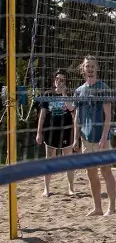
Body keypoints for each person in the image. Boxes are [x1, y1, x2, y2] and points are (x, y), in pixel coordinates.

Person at [72, 56, 116, 216]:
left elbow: (108, 116)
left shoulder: (103, 88)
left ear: (97, 68)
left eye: (92, 66)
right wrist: (76, 138)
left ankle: (111, 208)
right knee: (91, 174)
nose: (90, 69)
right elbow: (77, 117)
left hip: (101, 138)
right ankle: (97, 208)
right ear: (83, 69)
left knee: (106, 171)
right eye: (87, 66)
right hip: (86, 139)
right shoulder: (79, 91)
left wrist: (104, 137)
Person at [35, 68, 77, 197]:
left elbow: (73, 111)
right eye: (57, 79)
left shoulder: (69, 94)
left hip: (66, 131)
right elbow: (42, 116)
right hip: (51, 132)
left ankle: (71, 188)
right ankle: (46, 188)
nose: (59, 81)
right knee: (49, 160)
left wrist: (64, 94)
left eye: (62, 80)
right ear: (54, 80)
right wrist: (39, 133)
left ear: (66, 82)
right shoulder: (48, 94)